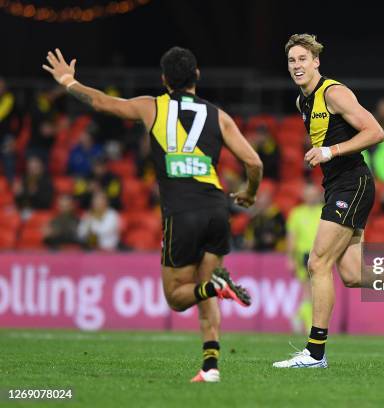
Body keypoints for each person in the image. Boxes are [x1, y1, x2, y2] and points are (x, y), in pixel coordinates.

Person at [43, 46, 263, 382]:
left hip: (182, 210)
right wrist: (248, 193)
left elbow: (103, 102)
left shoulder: (152, 106)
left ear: (164, 80)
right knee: (207, 286)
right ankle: (210, 368)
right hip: (217, 208)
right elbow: (254, 163)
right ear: (197, 75)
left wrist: (69, 82)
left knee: (177, 297)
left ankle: (215, 290)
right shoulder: (219, 116)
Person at [273, 34, 384, 369]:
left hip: (352, 184)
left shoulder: (334, 93)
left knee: (317, 264)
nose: (297, 66)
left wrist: (331, 151)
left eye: (302, 59)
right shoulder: (303, 102)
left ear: (316, 62)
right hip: (339, 186)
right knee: (353, 274)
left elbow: (376, 132)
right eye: (291, 61)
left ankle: (315, 353)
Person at [286, 183, 324, 333]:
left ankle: (299, 315)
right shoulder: (297, 213)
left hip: (321, 254)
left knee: (314, 292)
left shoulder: (323, 210)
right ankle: (309, 326)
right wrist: (290, 258)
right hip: (304, 255)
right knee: (310, 292)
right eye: (308, 194)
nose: (311, 197)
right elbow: (291, 238)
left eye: (313, 194)